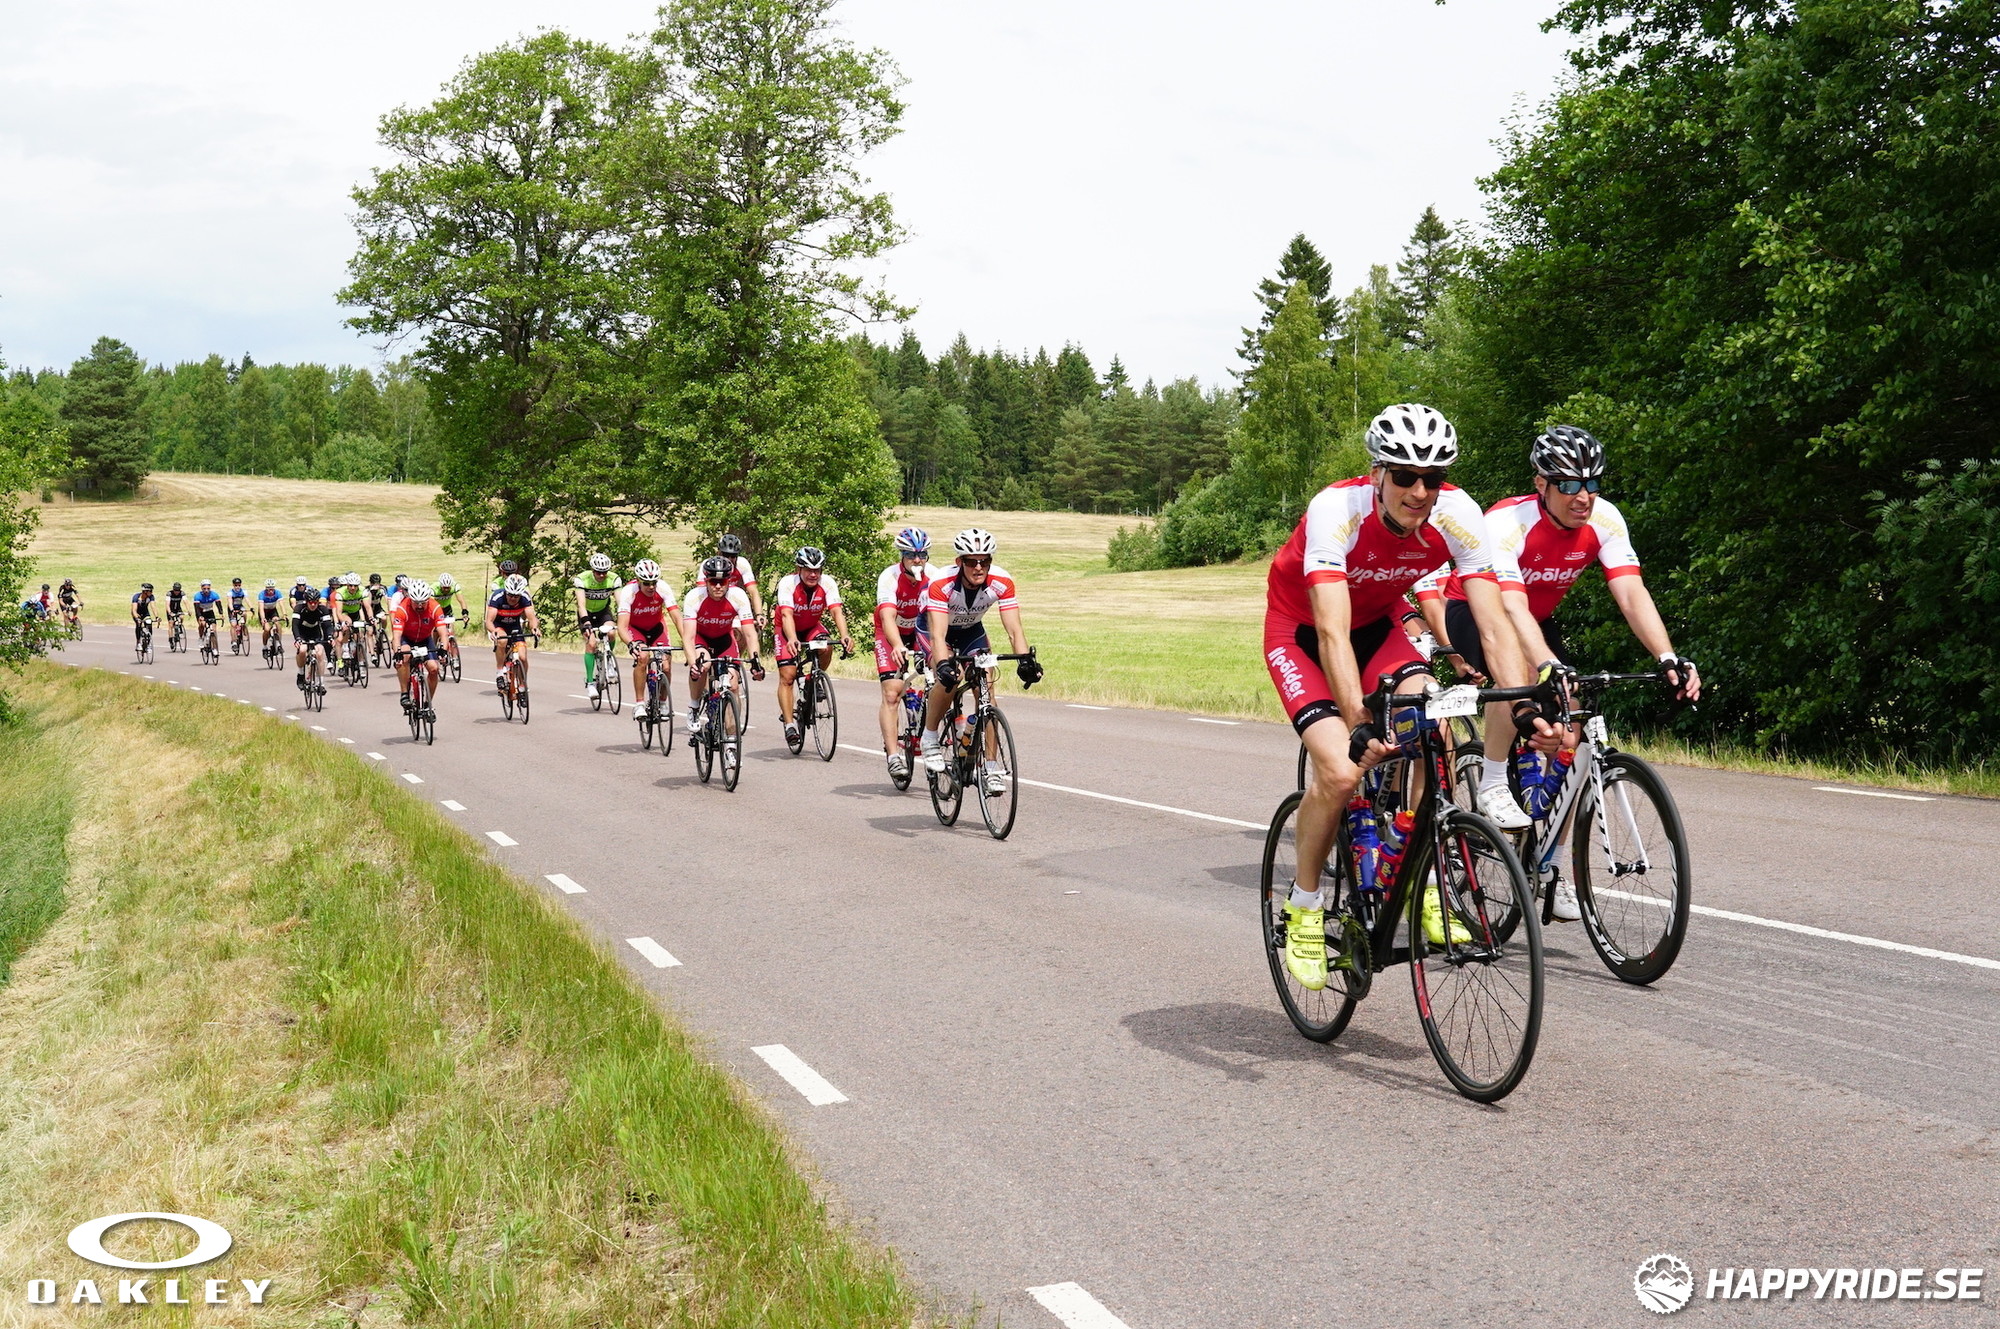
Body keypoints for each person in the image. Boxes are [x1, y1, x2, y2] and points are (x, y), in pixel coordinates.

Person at [1263, 404, 1554, 989]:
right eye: (1404, 476)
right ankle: (1304, 905)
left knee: (1434, 730)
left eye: (1433, 478)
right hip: (1303, 635)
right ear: (1377, 472)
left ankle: (1421, 878)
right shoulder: (1336, 511)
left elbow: (1492, 623)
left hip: (1378, 630)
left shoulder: (1458, 516)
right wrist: (1357, 724)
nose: (1419, 491)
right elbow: (1330, 630)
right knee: (1340, 773)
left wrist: (1520, 705)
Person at [1412, 424, 1701, 917]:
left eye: (1592, 483)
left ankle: (1552, 866)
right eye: (1568, 484)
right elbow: (1510, 607)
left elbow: (1631, 594)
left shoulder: (1604, 519)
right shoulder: (1507, 521)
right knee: (1525, 673)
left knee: (1571, 728)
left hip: (1537, 619)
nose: (1582, 496)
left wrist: (1667, 656)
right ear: (1541, 484)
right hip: (1477, 613)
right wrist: (1545, 664)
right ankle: (1494, 780)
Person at [919, 528, 1042, 796]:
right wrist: (943, 664)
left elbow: (1014, 630)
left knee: (987, 692)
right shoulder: (942, 583)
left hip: (971, 631)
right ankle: (929, 736)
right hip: (934, 630)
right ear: (959, 562)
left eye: (984, 561)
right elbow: (938, 635)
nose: (979, 567)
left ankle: (992, 768)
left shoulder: (1002, 581)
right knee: (950, 677)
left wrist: (1025, 661)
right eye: (972, 561)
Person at [772, 546, 854, 745]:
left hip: (811, 626)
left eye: (817, 570)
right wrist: (792, 638)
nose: (813, 574)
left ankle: (812, 681)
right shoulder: (788, 583)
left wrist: (844, 635)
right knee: (788, 676)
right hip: (786, 629)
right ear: (798, 569)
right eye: (808, 570)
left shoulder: (827, 583)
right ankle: (790, 725)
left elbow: (836, 611)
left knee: (826, 647)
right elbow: (786, 615)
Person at [874, 527, 933, 779]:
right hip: (891, 633)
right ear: (902, 556)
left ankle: (928, 724)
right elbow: (887, 617)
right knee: (891, 693)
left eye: (922, 555)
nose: (917, 560)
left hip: (920, 631)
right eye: (911, 555)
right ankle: (893, 756)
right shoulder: (889, 577)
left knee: (942, 678)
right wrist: (898, 645)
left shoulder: (934, 576)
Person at [681, 555, 759, 734]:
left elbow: (750, 633)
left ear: (729, 581)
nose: (718, 586)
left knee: (733, 685)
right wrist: (693, 663)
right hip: (701, 639)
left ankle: (731, 740)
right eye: (713, 582)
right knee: (703, 665)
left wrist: (755, 660)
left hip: (724, 639)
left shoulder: (738, 596)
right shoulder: (694, 597)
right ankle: (694, 707)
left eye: (722, 582)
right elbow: (688, 637)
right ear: (706, 581)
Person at [615, 560, 684, 709]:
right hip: (636, 630)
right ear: (638, 581)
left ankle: (663, 702)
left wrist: (687, 640)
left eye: (654, 583)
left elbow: (677, 617)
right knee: (642, 657)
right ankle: (639, 703)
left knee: (666, 666)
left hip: (656, 628)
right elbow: (622, 626)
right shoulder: (629, 592)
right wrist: (631, 644)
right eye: (646, 583)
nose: (651, 587)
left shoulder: (663, 588)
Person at [572, 552, 622, 701]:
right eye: (598, 572)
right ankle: (590, 682)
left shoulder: (614, 579)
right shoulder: (582, 579)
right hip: (586, 614)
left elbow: (620, 603)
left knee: (611, 633)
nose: (602, 575)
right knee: (592, 644)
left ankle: (609, 661)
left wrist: (623, 619)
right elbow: (581, 604)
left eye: (604, 572)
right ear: (592, 570)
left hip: (603, 612)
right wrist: (586, 622)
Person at [391, 580, 447, 714]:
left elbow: (443, 633)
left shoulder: (435, 607)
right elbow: (396, 636)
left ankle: (428, 704)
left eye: (423, 602)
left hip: (425, 639)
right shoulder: (402, 609)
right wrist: (397, 652)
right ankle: (404, 694)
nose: (420, 606)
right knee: (404, 655)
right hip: (406, 639)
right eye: (416, 602)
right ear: (410, 599)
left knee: (434, 669)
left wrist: (444, 650)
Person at [485, 573, 540, 694]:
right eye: (510, 595)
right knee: (502, 640)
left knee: (522, 657)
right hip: (499, 625)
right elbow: (488, 621)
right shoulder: (497, 597)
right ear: (506, 591)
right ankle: (500, 672)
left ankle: (522, 684)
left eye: (516, 596)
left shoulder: (525, 598)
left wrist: (535, 628)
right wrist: (493, 631)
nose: (513, 598)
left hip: (514, 626)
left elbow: (532, 618)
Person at [715, 534, 767, 638]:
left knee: (744, 632)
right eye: (726, 555)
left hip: (732, 604)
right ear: (719, 553)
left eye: (733, 556)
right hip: (714, 604)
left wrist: (759, 614)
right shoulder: (709, 565)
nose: (729, 559)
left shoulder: (742, 564)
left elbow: (753, 592)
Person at [294, 587, 334, 691]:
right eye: (310, 602)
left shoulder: (323, 609)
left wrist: (330, 637)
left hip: (315, 634)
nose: (313, 605)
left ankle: (320, 683)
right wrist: (297, 638)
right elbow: (295, 625)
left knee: (319, 653)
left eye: (315, 602)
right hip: (302, 634)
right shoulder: (299, 608)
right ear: (306, 602)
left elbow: (327, 626)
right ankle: (301, 674)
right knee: (302, 650)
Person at [332, 572, 372, 665]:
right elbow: (338, 611)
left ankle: (360, 659)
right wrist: (343, 622)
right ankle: (345, 648)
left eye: (355, 586)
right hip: (344, 613)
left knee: (361, 634)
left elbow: (368, 607)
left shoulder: (362, 591)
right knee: (348, 623)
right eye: (350, 585)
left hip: (356, 613)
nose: (353, 588)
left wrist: (371, 618)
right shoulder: (340, 593)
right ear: (347, 585)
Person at [191, 579, 225, 652]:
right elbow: (196, 609)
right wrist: (200, 616)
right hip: (201, 613)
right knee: (202, 624)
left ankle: (215, 648)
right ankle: (201, 638)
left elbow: (219, 606)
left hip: (210, 612)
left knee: (214, 629)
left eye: (208, 588)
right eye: (204, 589)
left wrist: (221, 614)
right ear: (201, 588)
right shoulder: (198, 596)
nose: (206, 590)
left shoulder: (214, 595)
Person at [256, 578, 284, 649]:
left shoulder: (277, 593)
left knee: (277, 623)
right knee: (267, 629)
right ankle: (265, 646)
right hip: (264, 612)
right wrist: (263, 618)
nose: (271, 591)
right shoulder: (262, 594)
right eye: (269, 589)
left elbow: (281, 605)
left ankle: (278, 642)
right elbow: (261, 608)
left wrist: (284, 614)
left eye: (272, 589)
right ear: (266, 589)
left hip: (272, 611)